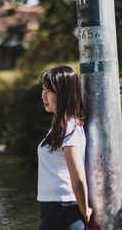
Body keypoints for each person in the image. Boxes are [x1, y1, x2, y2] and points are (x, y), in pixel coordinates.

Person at [37, 65, 93, 230]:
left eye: (49, 91)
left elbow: (78, 176)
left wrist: (84, 210)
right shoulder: (58, 127)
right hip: (51, 207)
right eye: (43, 90)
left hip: (65, 208)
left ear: (64, 94)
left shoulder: (70, 128)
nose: (43, 96)